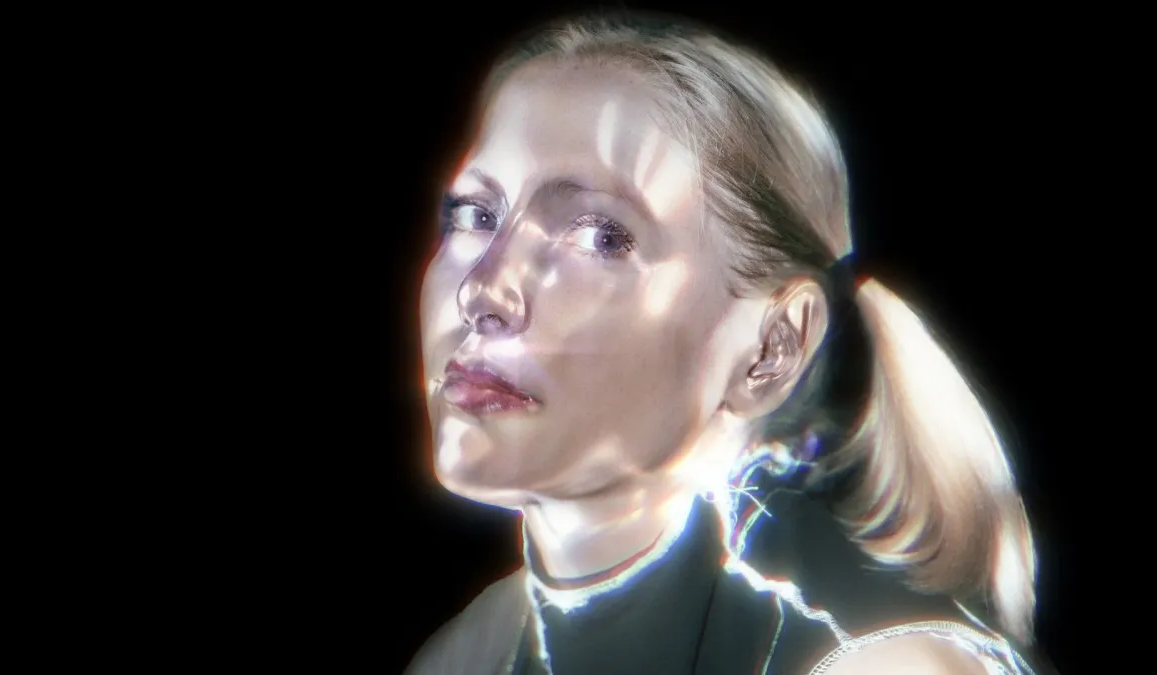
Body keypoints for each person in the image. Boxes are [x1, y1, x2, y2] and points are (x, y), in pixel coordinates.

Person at [409, 11, 1041, 675]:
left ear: (774, 346)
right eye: (476, 215)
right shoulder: (466, 652)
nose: (483, 292)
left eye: (600, 236)